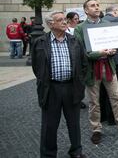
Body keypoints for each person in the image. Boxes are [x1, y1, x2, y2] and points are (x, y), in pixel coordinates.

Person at [74, 0, 118, 144]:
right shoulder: (80, 28)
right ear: (86, 10)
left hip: (108, 67)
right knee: (94, 102)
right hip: (91, 70)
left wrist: (113, 50)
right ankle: (96, 129)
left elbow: (116, 44)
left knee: (116, 97)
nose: (96, 8)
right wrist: (100, 53)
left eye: (97, 5)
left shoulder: (107, 24)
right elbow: (82, 52)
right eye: (92, 6)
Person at [32, 11, 87, 158]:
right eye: (60, 20)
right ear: (50, 24)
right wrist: (44, 81)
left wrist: (80, 82)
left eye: (65, 20)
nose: (65, 22)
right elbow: (36, 66)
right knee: (49, 125)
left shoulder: (75, 40)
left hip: (72, 87)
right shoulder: (40, 42)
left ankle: (76, 151)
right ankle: (48, 154)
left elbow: (83, 63)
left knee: (74, 123)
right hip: (51, 89)